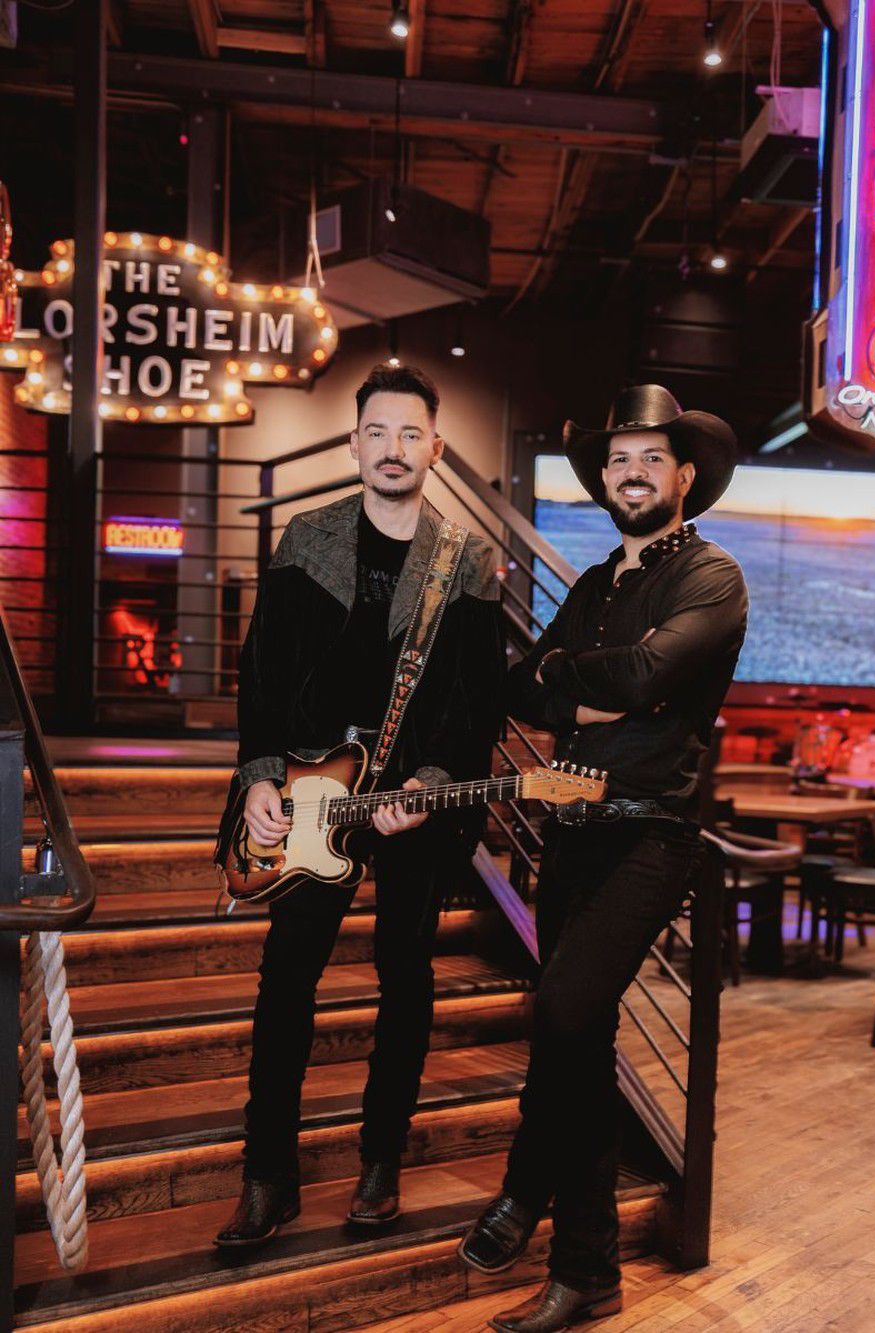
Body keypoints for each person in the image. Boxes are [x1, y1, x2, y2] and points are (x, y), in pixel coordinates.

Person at [458, 383, 747, 1332]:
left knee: (565, 1010)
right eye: (619, 458)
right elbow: (521, 688)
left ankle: (558, 1230)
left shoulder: (713, 577)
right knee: (576, 1035)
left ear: (685, 474)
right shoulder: (591, 587)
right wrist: (584, 692)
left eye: (650, 457)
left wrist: (568, 679)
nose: (633, 471)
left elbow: (649, 675)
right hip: (569, 832)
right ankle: (556, 1231)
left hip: (651, 834)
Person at [214, 362, 506, 1248]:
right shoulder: (306, 538)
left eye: (410, 433)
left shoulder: (469, 559)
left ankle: (381, 1166)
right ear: (354, 443)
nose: (392, 448)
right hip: (309, 797)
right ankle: (269, 1177)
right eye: (376, 432)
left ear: (435, 447)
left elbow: (479, 698)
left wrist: (427, 783)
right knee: (285, 983)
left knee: (407, 982)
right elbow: (261, 672)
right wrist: (260, 777)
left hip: (413, 807)